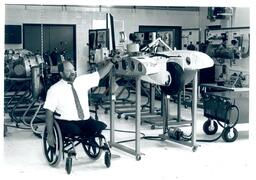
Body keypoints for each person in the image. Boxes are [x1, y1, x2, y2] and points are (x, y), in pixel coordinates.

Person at [44, 59, 114, 147]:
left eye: (73, 69)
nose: (72, 72)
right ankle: (87, 137)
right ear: (61, 73)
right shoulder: (54, 89)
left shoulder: (82, 80)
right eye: (68, 71)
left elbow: (100, 74)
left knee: (99, 126)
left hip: (85, 120)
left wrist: (112, 62)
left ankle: (90, 138)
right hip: (66, 121)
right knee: (75, 130)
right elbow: (49, 112)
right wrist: (50, 134)